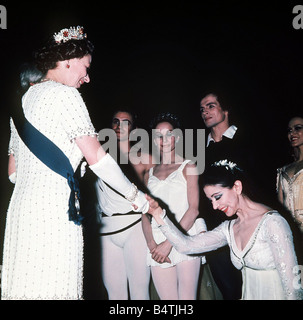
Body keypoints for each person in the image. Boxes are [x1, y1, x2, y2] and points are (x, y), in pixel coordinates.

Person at [3, 26, 148, 300]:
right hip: (56, 210)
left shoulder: (22, 102)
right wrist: (135, 195)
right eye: (86, 66)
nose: (88, 77)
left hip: (22, 209)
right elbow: (98, 159)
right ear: (69, 58)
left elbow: (13, 172)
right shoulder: (66, 95)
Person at [146, 160, 303, 300]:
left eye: (218, 196)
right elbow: (187, 245)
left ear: (237, 187)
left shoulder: (272, 223)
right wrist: (159, 214)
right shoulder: (229, 228)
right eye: (210, 200)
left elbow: (293, 287)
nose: (214, 206)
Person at [142, 112, 207, 300]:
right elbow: (144, 214)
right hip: (156, 241)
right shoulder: (150, 173)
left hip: (184, 237)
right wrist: (152, 245)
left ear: (177, 137)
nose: (164, 139)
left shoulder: (189, 166)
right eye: (158, 136)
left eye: (168, 134)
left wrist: (168, 244)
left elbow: (193, 209)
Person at [95, 108, 153, 300]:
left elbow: (159, 196)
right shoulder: (97, 156)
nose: (119, 126)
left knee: (139, 292)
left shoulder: (145, 159)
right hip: (106, 229)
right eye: (115, 121)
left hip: (135, 227)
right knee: (115, 294)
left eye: (125, 122)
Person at [199, 92, 245, 299]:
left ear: (225, 110)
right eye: (202, 109)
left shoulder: (246, 140)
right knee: (229, 291)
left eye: (210, 106)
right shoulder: (200, 150)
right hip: (215, 231)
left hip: (246, 227)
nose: (205, 112)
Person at [277, 116, 303, 239]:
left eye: (297, 128)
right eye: (289, 130)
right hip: (291, 233)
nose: (292, 133)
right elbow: (281, 207)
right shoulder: (282, 170)